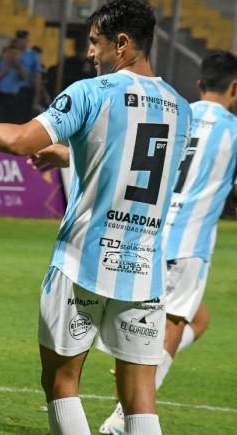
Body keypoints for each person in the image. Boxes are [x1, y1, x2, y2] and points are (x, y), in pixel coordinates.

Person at [0, 1, 192, 434]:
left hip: (83, 261)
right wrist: (69, 155)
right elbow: (137, 168)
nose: (90, 54)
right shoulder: (180, 107)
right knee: (140, 398)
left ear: (122, 43)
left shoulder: (90, 92)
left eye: (95, 44)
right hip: (142, 268)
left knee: (61, 382)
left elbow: (21, 141)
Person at [94, 50, 237, 434]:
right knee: (172, 324)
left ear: (200, 84)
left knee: (199, 318)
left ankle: (143, 363)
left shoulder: (177, 112)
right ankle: (125, 419)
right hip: (188, 244)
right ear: (235, 88)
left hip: (150, 233)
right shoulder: (233, 131)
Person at [0, 41, 29, 123]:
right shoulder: (1, 62)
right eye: (12, 53)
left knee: (12, 120)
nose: (14, 56)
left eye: (16, 54)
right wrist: (8, 66)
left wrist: (18, 66)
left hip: (13, 96)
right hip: (0, 95)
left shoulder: (21, 65)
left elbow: (25, 78)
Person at [14, 30, 44, 121]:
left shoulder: (32, 55)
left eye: (23, 39)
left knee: (22, 118)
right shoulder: (11, 52)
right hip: (9, 91)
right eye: (19, 39)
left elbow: (37, 75)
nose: (21, 41)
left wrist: (37, 94)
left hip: (25, 90)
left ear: (27, 40)